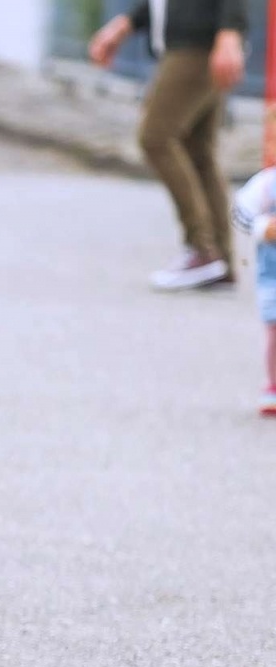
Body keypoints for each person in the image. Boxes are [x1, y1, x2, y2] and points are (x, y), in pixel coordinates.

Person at [89, 0, 249, 291]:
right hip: (193, 43)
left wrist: (231, 32)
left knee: (155, 137)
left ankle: (202, 250)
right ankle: (219, 261)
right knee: (198, 151)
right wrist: (125, 25)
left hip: (198, 46)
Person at [231, 167, 276, 413]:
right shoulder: (268, 184)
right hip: (273, 276)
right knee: (274, 330)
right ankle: (274, 385)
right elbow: (241, 212)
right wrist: (262, 226)